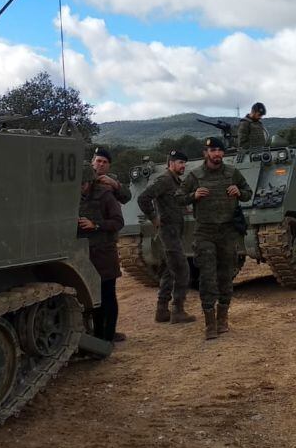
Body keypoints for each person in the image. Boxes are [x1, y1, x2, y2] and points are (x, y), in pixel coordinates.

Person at [176, 137, 252, 339]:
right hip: (205, 232)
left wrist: (239, 192)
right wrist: (193, 195)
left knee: (225, 276)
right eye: (213, 150)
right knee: (207, 278)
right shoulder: (195, 175)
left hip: (227, 232)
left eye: (220, 150)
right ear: (205, 153)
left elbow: (248, 192)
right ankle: (210, 324)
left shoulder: (232, 173)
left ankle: (223, 319)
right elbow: (178, 196)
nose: (217, 154)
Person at [136, 150, 196, 325]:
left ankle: (162, 311)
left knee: (170, 270)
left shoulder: (176, 182)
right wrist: (154, 218)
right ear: (170, 163)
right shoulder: (165, 180)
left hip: (174, 230)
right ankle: (178, 310)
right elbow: (143, 198)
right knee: (182, 269)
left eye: (184, 163)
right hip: (168, 231)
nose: (183, 166)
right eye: (179, 163)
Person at [78, 164, 125, 344]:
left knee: (107, 296)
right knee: (92, 299)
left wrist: (95, 225)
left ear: (89, 181)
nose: (81, 188)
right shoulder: (73, 197)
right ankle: (98, 338)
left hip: (104, 253)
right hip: (84, 254)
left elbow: (118, 222)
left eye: (83, 184)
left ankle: (108, 336)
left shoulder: (105, 195)